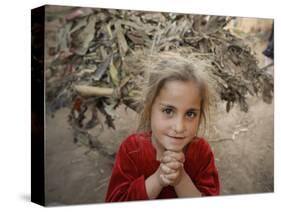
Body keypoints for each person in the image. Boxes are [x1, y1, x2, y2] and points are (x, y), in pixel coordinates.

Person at [105, 52, 220, 202]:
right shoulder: (131, 149)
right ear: (149, 107)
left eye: (190, 114)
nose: (179, 127)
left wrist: (181, 179)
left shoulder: (202, 153)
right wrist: (158, 179)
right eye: (168, 111)